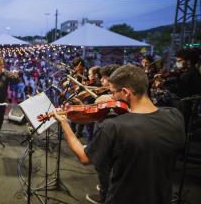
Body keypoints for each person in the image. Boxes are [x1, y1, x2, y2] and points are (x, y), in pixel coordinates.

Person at [51, 65, 185, 204]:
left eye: (113, 92)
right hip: (162, 196)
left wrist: (64, 123)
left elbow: (84, 157)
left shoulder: (114, 126)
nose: (111, 97)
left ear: (126, 92)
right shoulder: (174, 115)